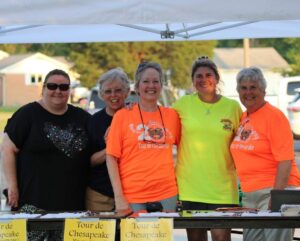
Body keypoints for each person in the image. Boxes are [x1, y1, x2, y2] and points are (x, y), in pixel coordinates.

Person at [2, 69, 91, 240]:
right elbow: (7, 149)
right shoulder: (27, 114)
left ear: (69, 91)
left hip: (71, 201)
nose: (58, 91)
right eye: (52, 86)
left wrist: (128, 109)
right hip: (32, 200)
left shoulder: (82, 117)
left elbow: (104, 133)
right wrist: (12, 185)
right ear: (43, 89)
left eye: (64, 87)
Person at [173, 56, 242, 241]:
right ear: (193, 81)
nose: (204, 79)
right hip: (190, 186)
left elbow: (245, 142)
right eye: (198, 76)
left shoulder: (233, 107)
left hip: (223, 187)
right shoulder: (183, 104)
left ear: (217, 78)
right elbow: (158, 120)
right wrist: (132, 106)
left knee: (221, 238)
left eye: (208, 75)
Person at [230, 66, 300, 241]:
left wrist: (277, 196)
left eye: (253, 87)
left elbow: (285, 160)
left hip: (274, 191)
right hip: (250, 194)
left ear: (263, 90)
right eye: (243, 88)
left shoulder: (274, 116)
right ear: (238, 91)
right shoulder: (245, 117)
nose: (248, 92)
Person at [106, 61, 180, 212]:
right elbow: (111, 157)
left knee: (161, 236)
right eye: (146, 81)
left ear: (161, 85)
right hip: (133, 196)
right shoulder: (122, 116)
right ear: (137, 86)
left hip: (167, 194)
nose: (151, 86)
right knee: (136, 236)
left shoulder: (172, 115)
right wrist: (119, 196)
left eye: (155, 81)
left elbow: (186, 149)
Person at [86, 68, 130, 211]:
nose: (113, 95)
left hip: (132, 193)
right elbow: (89, 161)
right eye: (108, 91)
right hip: (100, 195)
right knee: (100, 234)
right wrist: (111, 147)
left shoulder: (137, 117)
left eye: (118, 90)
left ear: (127, 92)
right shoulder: (94, 122)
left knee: (129, 234)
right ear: (101, 95)